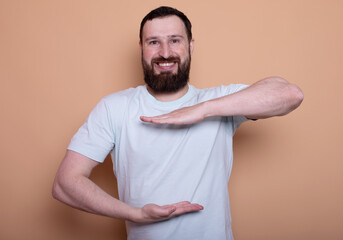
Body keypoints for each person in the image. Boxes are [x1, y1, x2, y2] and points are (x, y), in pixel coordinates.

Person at [52, 6, 303, 240]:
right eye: (154, 42)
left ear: (191, 46)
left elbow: (290, 94)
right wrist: (135, 214)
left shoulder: (221, 101)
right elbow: (65, 183)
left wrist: (203, 110)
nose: (165, 52)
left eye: (175, 40)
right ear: (141, 48)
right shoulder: (115, 107)